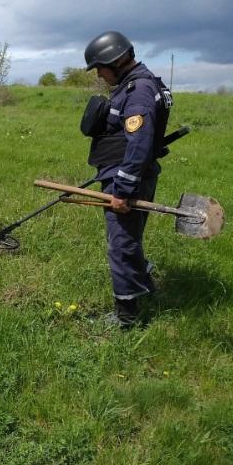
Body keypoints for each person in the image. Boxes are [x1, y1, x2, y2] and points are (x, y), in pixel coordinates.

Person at [83, 31, 172, 328]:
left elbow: (139, 145)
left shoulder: (139, 91)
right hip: (122, 174)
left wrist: (122, 189)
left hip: (127, 178)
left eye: (100, 67)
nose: (99, 74)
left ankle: (127, 317)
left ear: (117, 60)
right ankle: (144, 283)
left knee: (121, 244)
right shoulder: (134, 85)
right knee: (127, 238)